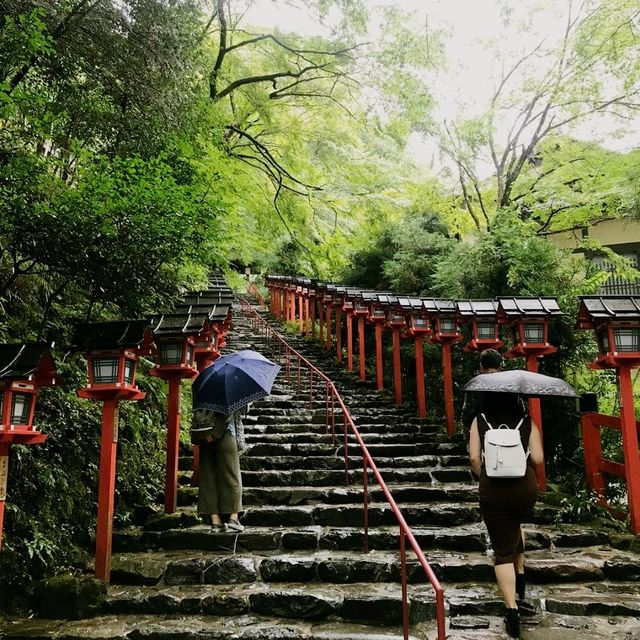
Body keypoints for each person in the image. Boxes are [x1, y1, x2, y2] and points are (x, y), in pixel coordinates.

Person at [468, 392, 544, 639]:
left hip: (494, 490)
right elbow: (538, 458)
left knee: (502, 549)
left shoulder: (479, 421)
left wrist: (486, 476)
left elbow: (473, 457)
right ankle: (520, 579)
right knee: (515, 525)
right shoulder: (527, 421)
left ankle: (512, 609)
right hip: (524, 489)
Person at [196, 409, 247, 533]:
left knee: (208, 475)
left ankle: (215, 520)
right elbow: (243, 409)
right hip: (226, 432)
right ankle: (233, 518)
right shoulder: (232, 390)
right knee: (231, 473)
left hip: (206, 431)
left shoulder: (201, 389)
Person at [460, 348, 503, 433]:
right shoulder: (511, 385)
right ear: (500, 366)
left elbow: (467, 417)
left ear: (481, 366)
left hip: (481, 435)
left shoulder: (474, 386)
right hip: (508, 436)